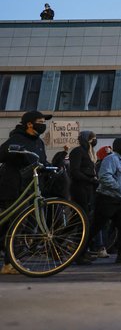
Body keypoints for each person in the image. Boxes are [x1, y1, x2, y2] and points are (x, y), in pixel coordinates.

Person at [0, 111, 51, 274]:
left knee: (16, 226)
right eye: (40, 121)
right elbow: (2, 152)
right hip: (15, 188)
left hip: (31, 189)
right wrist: (16, 152)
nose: (43, 124)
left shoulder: (39, 142)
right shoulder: (17, 138)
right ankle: (9, 263)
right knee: (14, 225)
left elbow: (41, 162)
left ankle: (11, 260)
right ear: (29, 124)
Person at [91, 137, 121, 264]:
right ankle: (80, 252)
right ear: (120, 146)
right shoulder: (111, 159)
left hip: (120, 200)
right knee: (96, 226)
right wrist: (119, 188)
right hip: (107, 198)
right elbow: (105, 176)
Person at [69, 131, 99, 264]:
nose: (94, 141)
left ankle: (82, 251)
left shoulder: (90, 154)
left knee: (81, 221)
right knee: (82, 220)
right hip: (80, 188)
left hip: (88, 188)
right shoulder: (78, 152)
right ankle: (79, 254)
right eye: (93, 139)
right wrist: (89, 179)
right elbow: (74, 171)